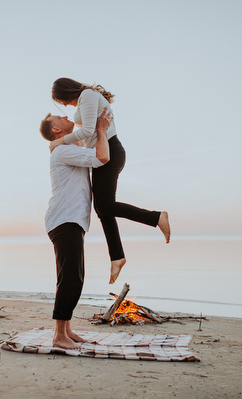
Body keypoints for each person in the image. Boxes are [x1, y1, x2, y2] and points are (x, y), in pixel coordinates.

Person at [49, 77, 171, 285]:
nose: (65, 105)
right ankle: (117, 257)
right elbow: (87, 135)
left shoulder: (87, 95)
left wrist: (59, 141)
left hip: (110, 150)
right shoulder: (86, 99)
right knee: (103, 209)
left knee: (104, 205)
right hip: (104, 149)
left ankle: (157, 217)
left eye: (63, 101)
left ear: (67, 92)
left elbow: (88, 131)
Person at [39, 109, 111, 350]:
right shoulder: (63, 150)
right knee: (71, 278)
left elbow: (81, 130)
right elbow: (101, 157)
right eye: (59, 117)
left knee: (73, 277)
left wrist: (88, 122)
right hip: (65, 220)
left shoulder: (67, 145)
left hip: (71, 220)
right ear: (56, 130)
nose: (65, 115)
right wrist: (101, 129)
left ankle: (66, 329)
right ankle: (59, 335)